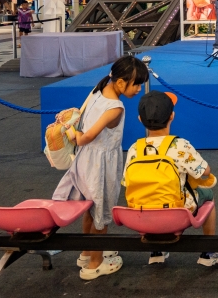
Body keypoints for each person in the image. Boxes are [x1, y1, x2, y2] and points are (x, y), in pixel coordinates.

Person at [53, 55, 149, 280]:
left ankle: (87, 253)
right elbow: (86, 137)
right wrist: (73, 134)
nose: (138, 89)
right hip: (100, 166)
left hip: (84, 162)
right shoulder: (116, 107)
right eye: (136, 84)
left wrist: (74, 133)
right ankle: (95, 264)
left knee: (89, 208)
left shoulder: (98, 91)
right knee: (101, 215)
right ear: (121, 82)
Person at [124, 91, 218, 268]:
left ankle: (156, 252)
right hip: (177, 211)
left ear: (140, 119)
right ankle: (209, 252)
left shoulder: (134, 148)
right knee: (208, 195)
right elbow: (205, 171)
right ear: (172, 116)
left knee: (150, 198)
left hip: (140, 213)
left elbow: (126, 182)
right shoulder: (180, 145)